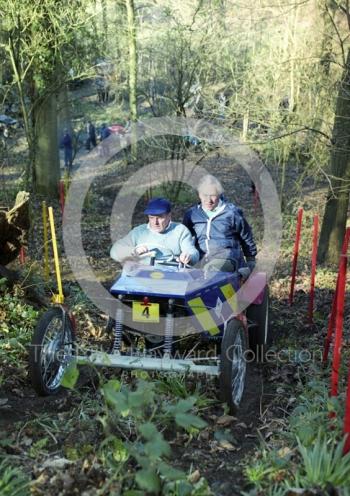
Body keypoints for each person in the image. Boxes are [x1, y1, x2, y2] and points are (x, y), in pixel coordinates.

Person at [183, 174, 257, 273]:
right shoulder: (192, 214)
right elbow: (184, 237)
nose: (209, 200)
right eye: (205, 195)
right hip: (201, 260)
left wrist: (250, 259)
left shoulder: (231, 213)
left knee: (212, 270)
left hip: (227, 259)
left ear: (219, 193)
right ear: (199, 194)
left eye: (213, 195)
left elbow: (246, 236)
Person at [110, 198, 199, 265]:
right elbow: (114, 251)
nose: (155, 222)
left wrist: (188, 256)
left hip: (171, 276)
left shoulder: (180, 230)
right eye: (151, 217)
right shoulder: (139, 232)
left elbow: (192, 251)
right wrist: (133, 251)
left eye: (160, 217)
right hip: (142, 275)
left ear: (169, 216)